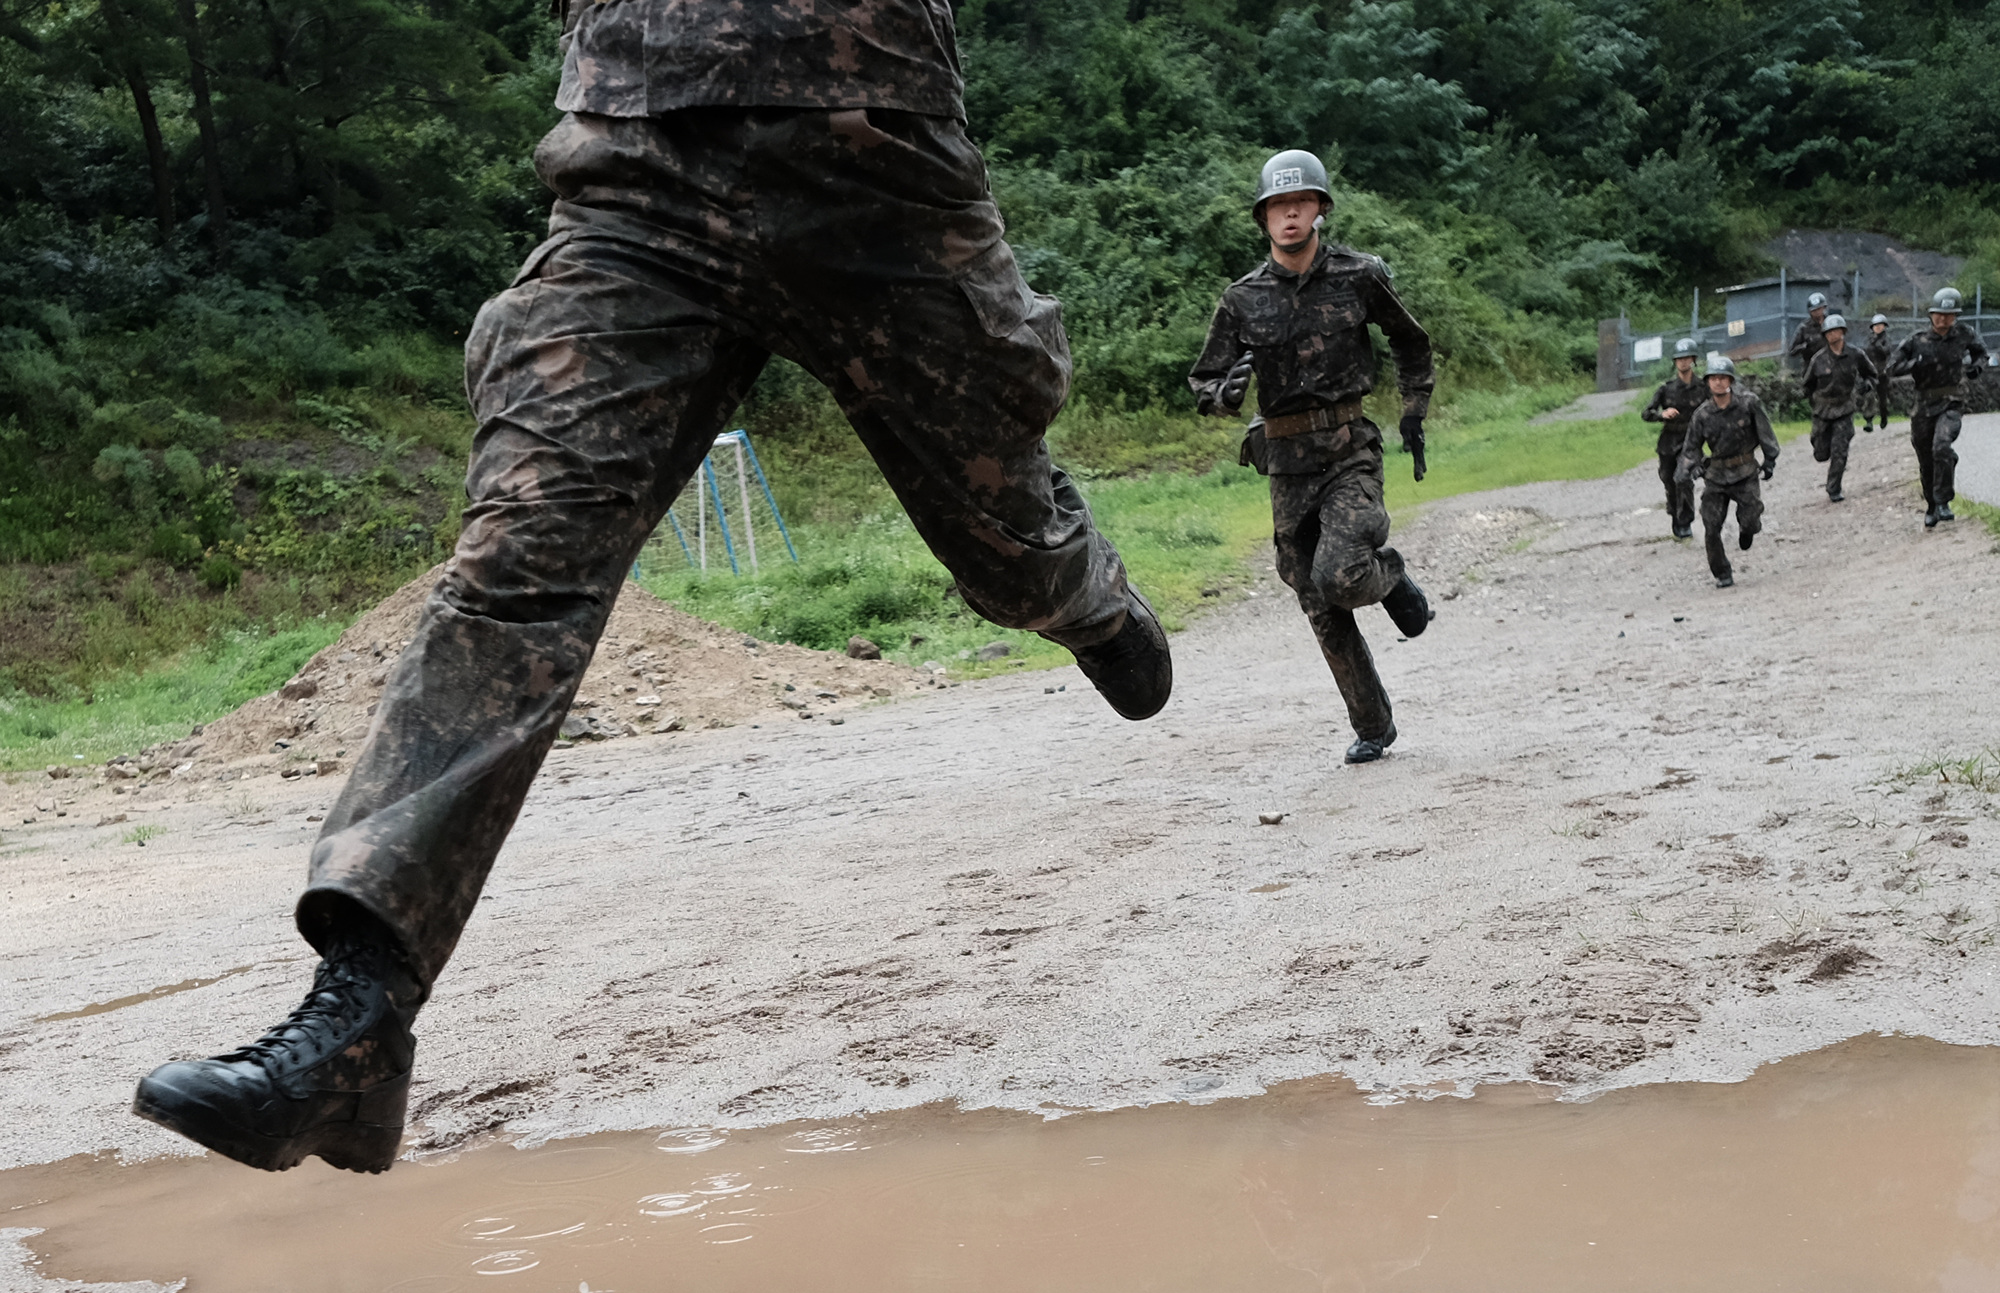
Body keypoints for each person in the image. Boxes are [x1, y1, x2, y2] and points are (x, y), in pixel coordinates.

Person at [131, 0, 1176, 1175]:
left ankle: (1081, 593)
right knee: (516, 562)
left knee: (1007, 549)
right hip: (633, 164)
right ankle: (353, 1028)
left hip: (876, 156)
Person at [1188, 150, 1435, 765]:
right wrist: (1226, 394)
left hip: (1351, 450)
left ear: (1320, 209)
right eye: (1277, 205)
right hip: (1287, 463)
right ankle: (1373, 726)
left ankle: (1392, 577)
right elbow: (1205, 383)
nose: (1289, 214)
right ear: (1264, 218)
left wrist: (1413, 408)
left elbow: (1410, 340)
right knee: (1315, 597)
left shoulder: (1359, 274)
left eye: (1300, 203)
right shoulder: (1241, 299)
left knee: (1343, 573)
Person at [1886, 287, 1990, 528]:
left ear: (1956, 316)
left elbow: (1982, 354)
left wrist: (1977, 367)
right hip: (1923, 407)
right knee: (1926, 458)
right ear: (1931, 315)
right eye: (1939, 314)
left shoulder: (1965, 334)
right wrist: (1915, 364)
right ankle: (1932, 505)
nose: (1944, 319)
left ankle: (1944, 501)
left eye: (1950, 315)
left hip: (1952, 402)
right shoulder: (1916, 340)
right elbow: (1891, 368)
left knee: (1941, 445)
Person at [1679, 356, 1780, 589]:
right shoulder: (1702, 415)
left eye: (1723, 378)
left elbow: (1765, 432)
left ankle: (1747, 531)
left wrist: (1770, 459)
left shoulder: (1748, 404)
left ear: (1731, 380)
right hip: (1716, 476)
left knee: (1752, 519)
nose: (1718, 382)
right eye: (1714, 378)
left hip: (1745, 472)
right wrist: (1688, 471)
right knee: (1711, 525)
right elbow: (1691, 448)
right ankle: (1722, 572)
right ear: (1708, 382)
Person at [1801, 314, 1879, 502]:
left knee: (1840, 450)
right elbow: (1807, 386)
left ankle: (1833, 488)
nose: (1832, 335)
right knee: (1821, 452)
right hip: (1822, 410)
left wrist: (1866, 385)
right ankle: (1821, 448)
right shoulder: (1818, 360)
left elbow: (1872, 375)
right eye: (1828, 332)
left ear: (1843, 332)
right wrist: (1814, 403)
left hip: (1844, 408)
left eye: (1835, 331)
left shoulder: (1856, 354)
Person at [1639, 338, 1705, 538]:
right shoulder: (1666, 389)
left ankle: (1685, 521)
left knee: (1683, 478)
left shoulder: (1703, 387)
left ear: (1693, 360)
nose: (1683, 362)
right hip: (1668, 441)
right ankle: (1675, 516)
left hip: (1690, 440)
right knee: (1669, 481)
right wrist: (1662, 415)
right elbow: (1646, 413)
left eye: (1686, 358)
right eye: (1679, 359)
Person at [1863, 313, 1893, 431]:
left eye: (1880, 325)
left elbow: (1886, 352)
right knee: (1869, 396)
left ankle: (1884, 416)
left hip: (1882, 373)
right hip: (1871, 373)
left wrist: (1878, 344)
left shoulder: (1886, 340)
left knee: (1882, 398)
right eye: (1875, 326)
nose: (1878, 328)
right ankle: (1869, 420)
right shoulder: (1869, 340)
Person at [1788, 292, 1830, 374]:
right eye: (1814, 310)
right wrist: (1805, 346)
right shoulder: (1804, 327)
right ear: (1810, 312)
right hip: (1811, 367)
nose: (1817, 312)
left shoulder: (1831, 323)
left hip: (1830, 364)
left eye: (1819, 309)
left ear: (1824, 308)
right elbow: (1792, 351)